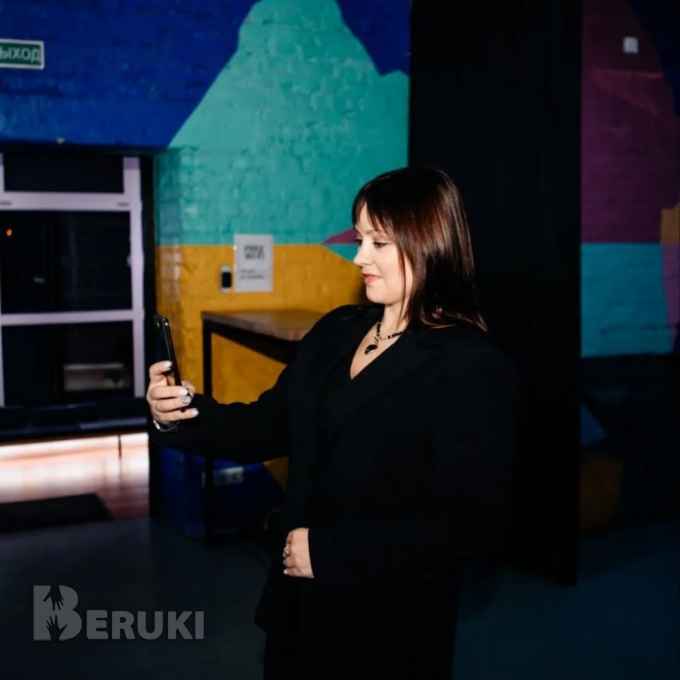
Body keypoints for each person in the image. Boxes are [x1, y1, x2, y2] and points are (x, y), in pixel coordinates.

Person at [146, 166, 516, 679]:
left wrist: (333, 553)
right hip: (298, 605)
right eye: (360, 239)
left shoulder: (469, 365)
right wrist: (181, 411)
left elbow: (470, 523)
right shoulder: (335, 332)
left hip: (390, 622)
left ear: (429, 243)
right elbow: (266, 425)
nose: (359, 257)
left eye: (379, 242)